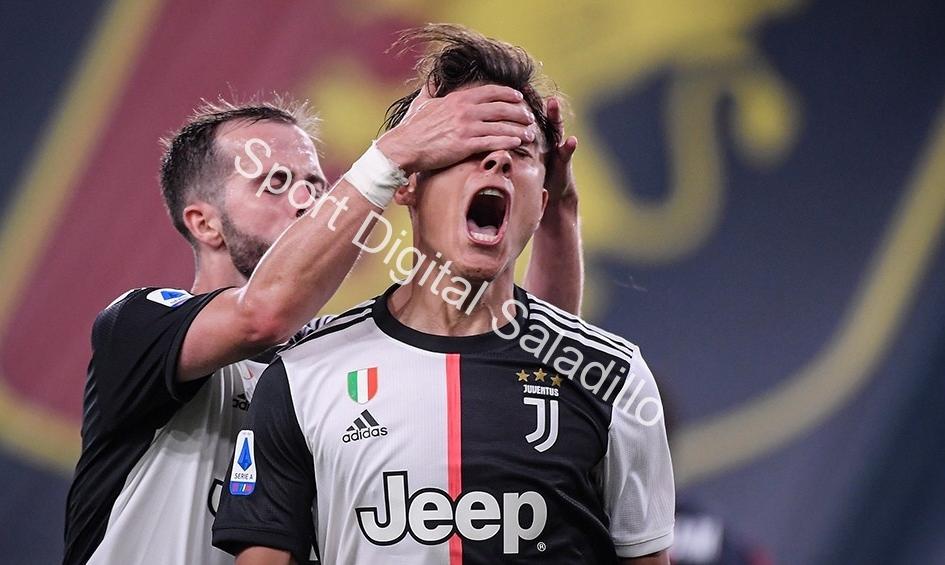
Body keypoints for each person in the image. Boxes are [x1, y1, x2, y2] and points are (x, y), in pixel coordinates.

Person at [62, 76, 585, 564]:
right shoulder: (140, 325)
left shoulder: (332, 357)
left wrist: (557, 209)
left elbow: (525, 357)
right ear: (205, 223)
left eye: (317, 185)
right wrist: (395, 152)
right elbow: (262, 315)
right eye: (276, 183)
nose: (309, 203)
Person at [211, 24, 674, 565]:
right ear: (407, 182)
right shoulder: (301, 374)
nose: (497, 161)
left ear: (543, 200)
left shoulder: (613, 377)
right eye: (467, 145)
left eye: (520, 151)